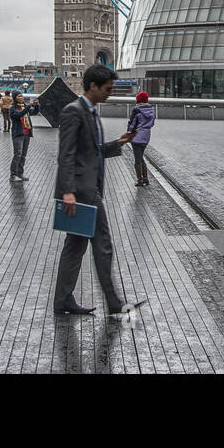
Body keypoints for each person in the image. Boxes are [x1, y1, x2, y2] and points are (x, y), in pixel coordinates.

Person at [52, 64, 140, 317]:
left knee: (75, 246)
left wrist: (118, 143)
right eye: (108, 89)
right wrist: (68, 191)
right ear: (93, 86)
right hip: (82, 192)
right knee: (102, 244)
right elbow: (66, 155)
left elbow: (90, 150)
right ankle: (113, 302)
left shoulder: (89, 112)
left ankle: (63, 299)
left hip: (86, 189)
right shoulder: (73, 112)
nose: (110, 93)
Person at [9, 92, 40, 181]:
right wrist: (28, 106)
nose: (21, 97)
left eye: (21, 95)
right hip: (18, 134)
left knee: (23, 155)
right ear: (15, 98)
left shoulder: (24, 107)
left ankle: (20, 173)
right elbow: (20, 114)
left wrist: (37, 105)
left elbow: (34, 112)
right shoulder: (13, 109)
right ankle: (13, 174)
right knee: (17, 154)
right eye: (19, 96)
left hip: (26, 134)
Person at [127, 91, 156, 187]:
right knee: (141, 157)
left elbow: (132, 123)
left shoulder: (137, 109)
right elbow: (152, 124)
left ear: (138, 99)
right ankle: (146, 179)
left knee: (137, 159)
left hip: (136, 137)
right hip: (146, 136)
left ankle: (140, 180)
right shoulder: (151, 109)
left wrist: (128, 133)